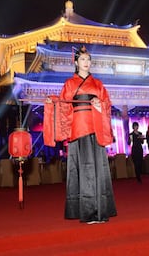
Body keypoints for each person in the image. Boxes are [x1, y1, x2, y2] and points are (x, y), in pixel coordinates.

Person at [44, 45, 117, 224]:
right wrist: (52, 102)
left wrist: (100, 104)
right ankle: (88, 211)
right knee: (83, 170)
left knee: (98, 168)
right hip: (79, 127)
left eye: (88, 59)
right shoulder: (69, 84)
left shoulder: (98, 84)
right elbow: (63, 106)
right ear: (76, 62)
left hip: (95, 125)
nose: (86, 62)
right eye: (82, 59)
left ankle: (100, 209)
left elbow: (107, 104)